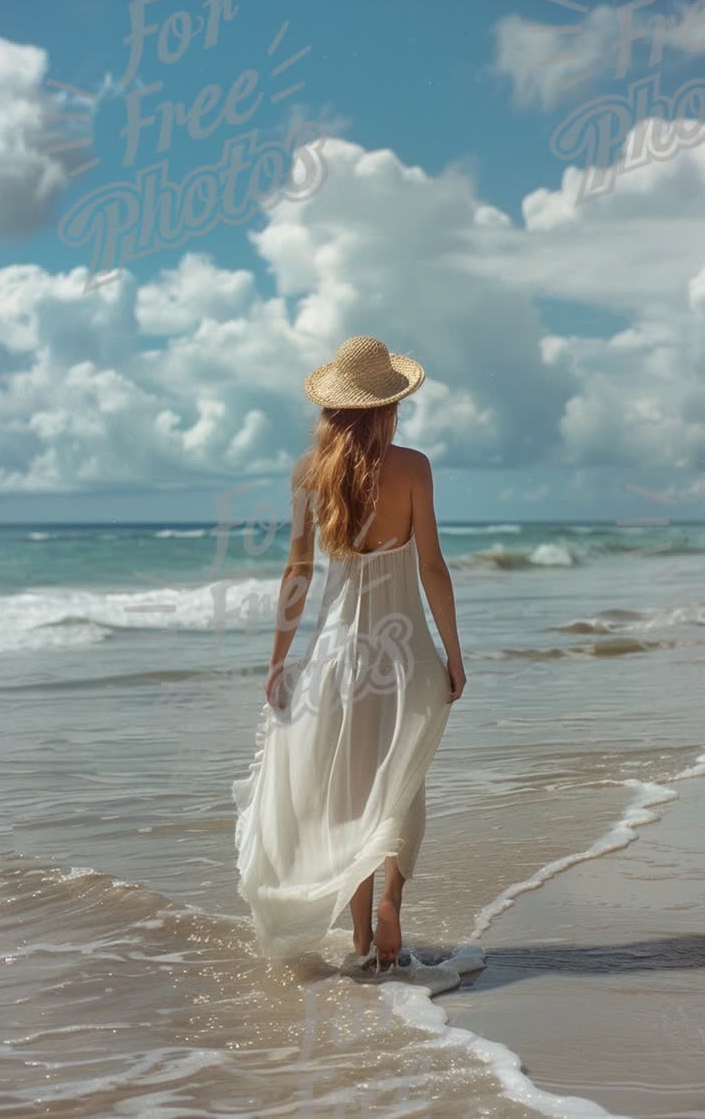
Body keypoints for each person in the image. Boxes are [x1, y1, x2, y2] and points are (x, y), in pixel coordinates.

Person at [231, 335, 466, 970]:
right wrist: (454, 652)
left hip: (339, 657)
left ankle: (364, 943)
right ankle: (393, 898)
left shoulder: (311, 472)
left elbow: (297, 575)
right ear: (388, 404)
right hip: (405, 651)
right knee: (400, 782)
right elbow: (433, 567)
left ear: (335, 407)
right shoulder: (413, 466)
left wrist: (279, 662)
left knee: (351, 794)